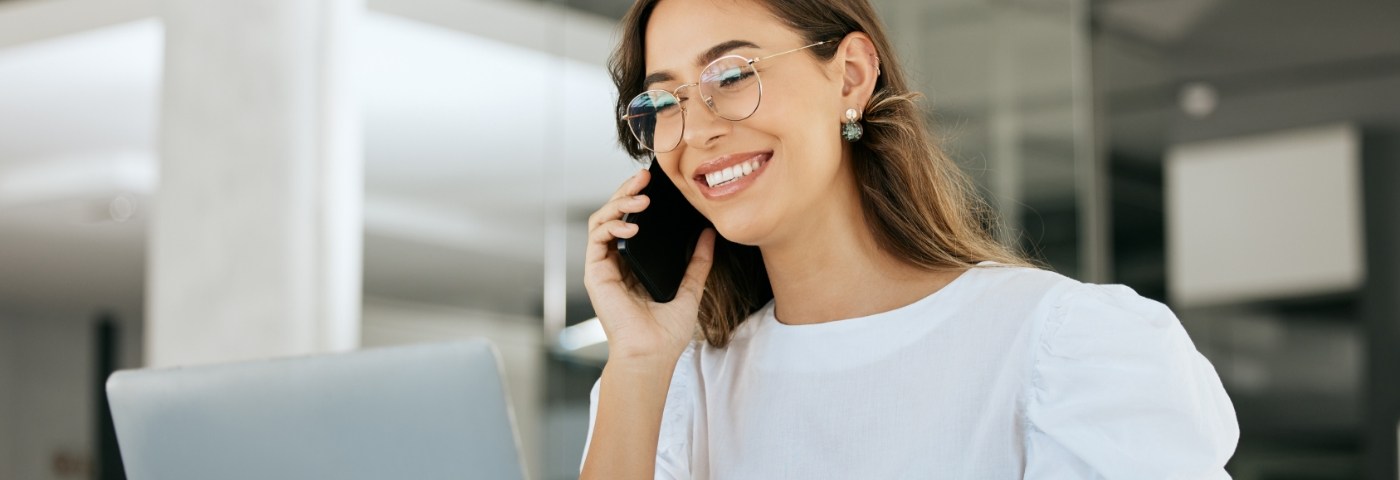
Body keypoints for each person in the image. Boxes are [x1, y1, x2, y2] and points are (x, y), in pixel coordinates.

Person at [579, 0, 1239, 478]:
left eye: (730, 76)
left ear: (851, 76)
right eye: (663, 105)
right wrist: (637, 363)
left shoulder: (1063, 349)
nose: (695, 131)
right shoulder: (673, 392)